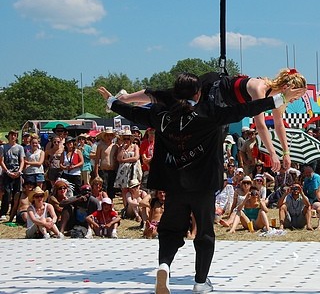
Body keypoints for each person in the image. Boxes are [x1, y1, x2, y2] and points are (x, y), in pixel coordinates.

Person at [99, 72, 304, 294]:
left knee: (170, 230)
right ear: (199, 93)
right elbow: (246, 110)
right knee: (204, 233)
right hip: (203, 185)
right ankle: (200, 282)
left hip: (174, 185)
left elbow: (133, 112)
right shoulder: (210, 113)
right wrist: (281, 99)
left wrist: (113, 101)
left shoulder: (160, 115)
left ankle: (164, 266)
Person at [116, 68, 307, 172]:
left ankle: (132, 104)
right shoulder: (260, 88)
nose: (296, 100)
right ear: (287, 88)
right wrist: (272, 154)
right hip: (213, 90)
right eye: (296, 95)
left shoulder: (278, 101)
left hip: (222, 107)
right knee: (171, 96)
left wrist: (286, 153)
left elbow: (279, 125)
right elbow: (260, 125)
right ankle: (125, 99)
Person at [0, 130, 25, 221]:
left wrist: (19, 171)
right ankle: (3, 212)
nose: (13, 137)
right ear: (9, 136)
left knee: (16, 193)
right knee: (6, 193)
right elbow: (1, 161)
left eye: (15, 135)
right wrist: (7, 171)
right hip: (7, 172)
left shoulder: (20, 148)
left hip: (17, 172)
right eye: (11, 135)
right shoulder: (3, 147)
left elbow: (22, 160)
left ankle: (13, 212)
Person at [114, 129, 142, 205]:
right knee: (124, 189)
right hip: (123, 171)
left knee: (133, 188)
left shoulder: (135, 146)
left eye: (128, 138)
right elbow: (119, 159)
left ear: (130, 139)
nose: (126, 140)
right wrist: (122, 150)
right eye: (125, 138)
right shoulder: (121, 147)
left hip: (133, 170)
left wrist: (124, 160)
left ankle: (133, 206)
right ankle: (125, 206)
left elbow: (136, 157)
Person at [94, 127, 119, 199]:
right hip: (103, 170)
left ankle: (110, 203)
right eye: (107, 135)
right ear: (104, 136)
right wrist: (96, 173)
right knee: (104, 188)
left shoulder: (115, 146)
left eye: (110, 135)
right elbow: (97, 160)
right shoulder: (100, 146)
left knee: (111, 189)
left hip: (112, 170)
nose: (109, 137)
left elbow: (117, 159)